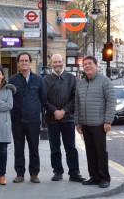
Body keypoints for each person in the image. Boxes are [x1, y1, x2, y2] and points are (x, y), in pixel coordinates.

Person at [74, 56, 116, 188]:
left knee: (100, 151)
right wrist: (78, 122)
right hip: (85, 124)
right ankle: (94, 176)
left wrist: (108, 120)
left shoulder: (105, 81)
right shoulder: (80, 83)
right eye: (85, 64)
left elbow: (111, 101)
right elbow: (77, 104)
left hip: (99, 123)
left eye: (90, 64)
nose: (87, 66)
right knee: (90, 152)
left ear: (96, 65)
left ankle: (104, 178)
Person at [44, 54, 85, 182]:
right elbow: (44, 99)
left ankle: (74, 173)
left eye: (59, 62)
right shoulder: (46, 79)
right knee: (54, 148)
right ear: (51, 64)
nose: (57, 64)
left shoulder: (72, 79)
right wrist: (54, 110)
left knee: (71, 147)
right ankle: (57, 172)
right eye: (55, 62)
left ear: (63, 63)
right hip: (52, 119)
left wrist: (63, 111)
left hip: (68, 119)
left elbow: (75, 98)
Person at [8, 52, 47, 184]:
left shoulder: (38, 80)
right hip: (17, 120)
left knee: (34, 148)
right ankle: (19, 174)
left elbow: (43, 99)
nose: (24, 63)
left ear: (30, 63)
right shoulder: (12, 80)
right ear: (18, 63)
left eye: (26, 60)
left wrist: (34, 109)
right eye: (21, 61)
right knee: (18, 148)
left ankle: (34, 174)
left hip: (33, 120)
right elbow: (9, 99)